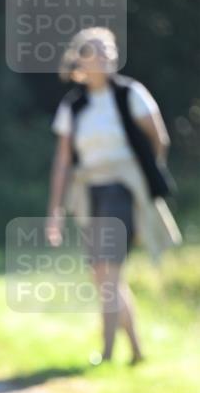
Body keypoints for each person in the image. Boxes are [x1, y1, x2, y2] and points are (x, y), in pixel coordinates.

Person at [46, 27, 181, 365]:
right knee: (101, 275)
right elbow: (63, 162)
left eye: (108, 49)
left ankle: (107, 354)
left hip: (123, 189)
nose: (105, 56)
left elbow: (158, 139)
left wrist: (141, 177)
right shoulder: (74, 106)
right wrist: (55, 210)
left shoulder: (131, 94)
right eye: (96, 51)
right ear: (82, 60)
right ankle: (136, 351)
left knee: (109, 273)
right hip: (90, 191)